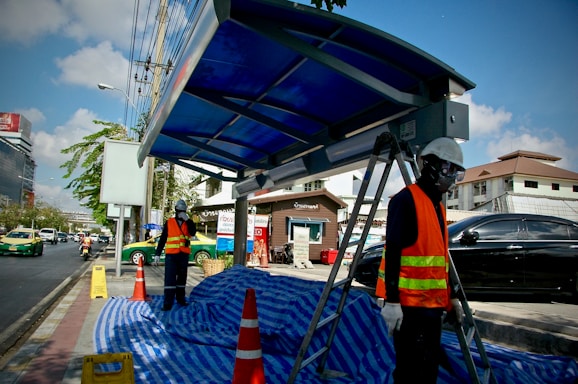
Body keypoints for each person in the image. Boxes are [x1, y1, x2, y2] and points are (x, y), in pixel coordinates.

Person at [376, 137, 466, 383]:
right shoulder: (405, 201)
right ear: (429, 165)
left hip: (431, 312)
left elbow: (438, 260)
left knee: (427, 373)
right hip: (409, 312)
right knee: (410, 374)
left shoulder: (437, 206)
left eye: (456, 172)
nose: (451, 177)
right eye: (448, 169)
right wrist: (392, 303)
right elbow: (393, 251)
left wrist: (452, 298)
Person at [154, 199, 197, 311]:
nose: (181, 213)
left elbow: (193, 232)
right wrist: (157, 254)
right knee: (170, 279)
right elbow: (163, 239)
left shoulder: (188, 223)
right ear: (176, 210)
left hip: (183, 255)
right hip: (171, 255)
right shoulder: (169, 222)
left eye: (183, 211)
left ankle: (181, 299)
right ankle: (167, 303)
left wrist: (188, 220)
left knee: (182, 279)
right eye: (180, 211)